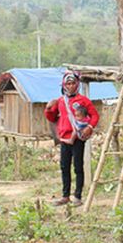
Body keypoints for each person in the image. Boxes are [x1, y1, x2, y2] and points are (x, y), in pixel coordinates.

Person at [44, 71, 99, 206]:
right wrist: (48, 109)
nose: (71, 86)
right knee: (64, 167)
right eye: (68, 83)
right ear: (64, 85)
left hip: (78, 138)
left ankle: (78, 196)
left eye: (73, 83)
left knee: (78, 167)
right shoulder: (61, 101)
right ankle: (65, 196)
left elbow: (95, 116)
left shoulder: (83, 101)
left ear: (77, 84)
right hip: (64, 139)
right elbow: (51, 118)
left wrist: (89, 127)